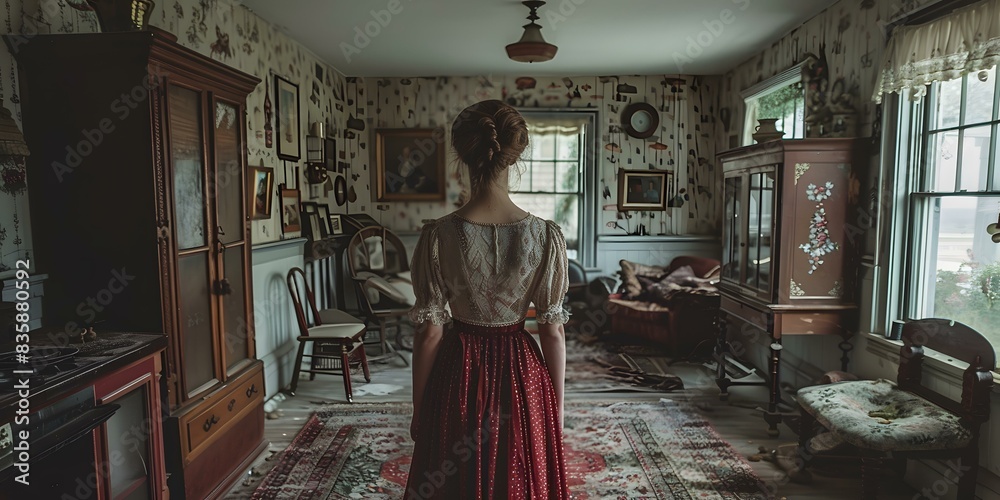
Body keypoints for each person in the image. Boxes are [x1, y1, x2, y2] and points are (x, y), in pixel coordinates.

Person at [405, 99, 570, 499]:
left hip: (459, 371)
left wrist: (419, 409)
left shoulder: (438, 235)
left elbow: (430, 332)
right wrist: (557, 408)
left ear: (462, 155)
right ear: (515, 157)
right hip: (523, 374)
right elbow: (552, 333)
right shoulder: (546, 236)